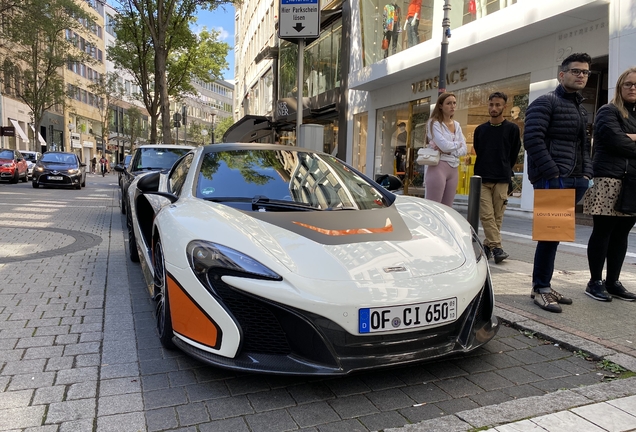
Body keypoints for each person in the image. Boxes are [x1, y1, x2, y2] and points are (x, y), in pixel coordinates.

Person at [524, 53, 594, 313]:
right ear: (561, 74)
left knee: (555, 236)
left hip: (576, 179)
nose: (581, 76)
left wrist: (587, 175)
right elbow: (532, 140)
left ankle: (542, 285)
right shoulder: (545, 102)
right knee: (549, 234)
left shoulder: (579, 108)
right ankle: (541, 289)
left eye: (585, 72)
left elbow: (584, 147)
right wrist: (552, 174)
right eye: (576, 71)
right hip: (554, 178)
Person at [583, 67, 636, 302]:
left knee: (622, 233)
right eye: (629, 84)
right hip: (608, 179)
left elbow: (625, 142)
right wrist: (627, 138)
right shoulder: (608, 111)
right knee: (603, 232)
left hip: (633, 180)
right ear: (619, 87)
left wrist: (630, 137)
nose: (633, 88)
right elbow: (617, 143)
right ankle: (595, 281)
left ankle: (613, 281)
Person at [473, 92, 521, 264]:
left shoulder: (512, 129)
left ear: (504, 107)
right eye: (491, 104)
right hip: (482, 178)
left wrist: (505, 168)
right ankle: (498, 248)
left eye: (498, 105)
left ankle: (487, 247)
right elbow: (479, 150)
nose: (494, 108)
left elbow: (513, 153)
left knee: (497, 217)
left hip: (502, 177)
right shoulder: (480, 130)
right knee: (486, 215)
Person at [425, 92, 468, 207]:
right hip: (438, 166)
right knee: (434, 207)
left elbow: (464, 149)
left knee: (447, 209)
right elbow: (444, 145)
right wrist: (457, 144)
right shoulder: (434, 123)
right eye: (448, 103)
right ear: (440, 106)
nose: (452, 106)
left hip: (454, 167)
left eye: (454, 103)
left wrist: (451, 148)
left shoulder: (457, 125)